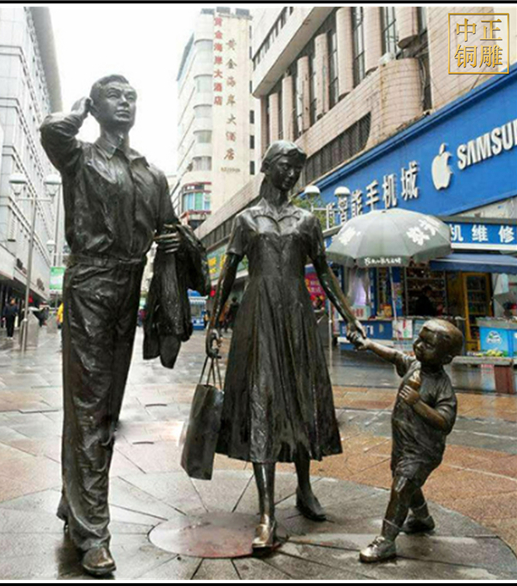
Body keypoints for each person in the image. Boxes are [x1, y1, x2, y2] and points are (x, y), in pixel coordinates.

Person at [40, 74, 187, 576]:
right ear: (96, 105)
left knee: (103, 409)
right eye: (114, 96)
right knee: (89, 408)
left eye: (131, 96)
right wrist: (81, 108)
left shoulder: (151, 173)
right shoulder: (80, 157)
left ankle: (73, 500)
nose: (125, 102)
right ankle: (93, 531)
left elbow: (171, 228)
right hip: (89, 285)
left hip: (128, 290)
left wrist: (173, 242)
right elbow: (52, 131)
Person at [206, 140, 365, 553]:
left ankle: (304, 488)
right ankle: (266, 513)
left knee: (300, 397)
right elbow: (227, 275)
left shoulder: (306, 221)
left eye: (298, 168)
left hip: (296, 315)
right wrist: (213, 323)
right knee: (262, 400)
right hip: (258, 316)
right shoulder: (246, 221)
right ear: (268, 167)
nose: (292, 174)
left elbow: (325, 274)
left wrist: (349, 317)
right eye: (286, 165)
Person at [348, 319, 464, 563]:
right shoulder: (414, 366)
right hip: (403, 443)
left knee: (402, 486)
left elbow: (445, 421)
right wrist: (369, 344)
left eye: (428, 345)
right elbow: (394, 355)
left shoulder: (442, 386)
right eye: (419, 339)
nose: (419, 346)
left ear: (446, 358)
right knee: (406, 482)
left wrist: (417, 403)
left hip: (423, 450)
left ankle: (386, 539)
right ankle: (422, 518)